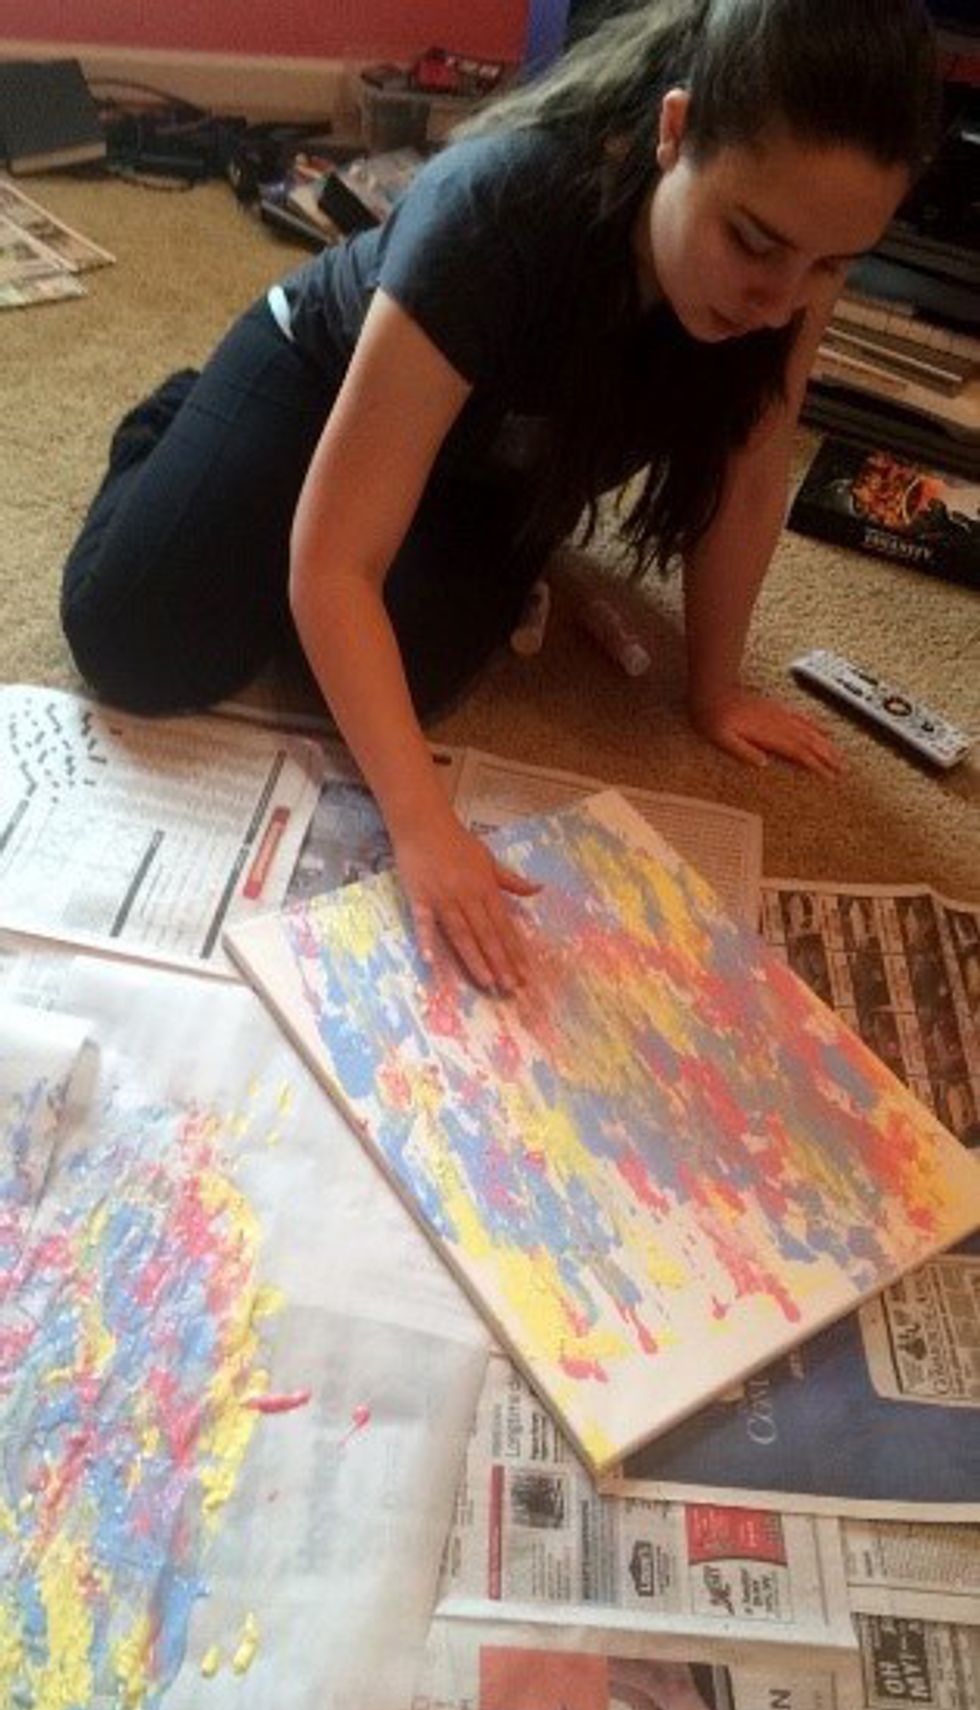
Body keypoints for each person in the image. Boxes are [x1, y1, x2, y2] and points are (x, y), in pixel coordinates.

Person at [61, 0, 940, 994]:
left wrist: (714, 690)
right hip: (324, 370)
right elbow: (333, 563)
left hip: (497, 452)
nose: (779, 301)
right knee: (132, 639)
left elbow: (748, 480)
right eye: (753, 242)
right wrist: (422, 828)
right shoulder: (493, 211)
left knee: (396, 673)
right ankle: (180, 421)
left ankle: (413, 507)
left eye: (829, 264)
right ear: (676, 130)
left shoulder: (792, 265)